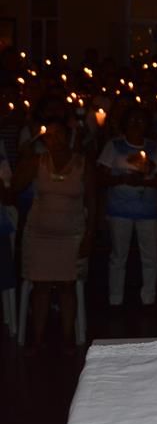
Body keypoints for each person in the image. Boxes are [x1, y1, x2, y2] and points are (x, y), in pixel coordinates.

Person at [9, 118, 95, 355]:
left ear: (68, 138)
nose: (54, 139)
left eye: (59, 135)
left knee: (68, 286)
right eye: (50, 135)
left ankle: (68, 338)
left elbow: (92, 202)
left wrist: (89, 235)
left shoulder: (82, 164)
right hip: (39, 235)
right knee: (41, 286)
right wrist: (25, 155)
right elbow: (14, 187)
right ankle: (37, 339)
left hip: (71, 235)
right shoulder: (38, 161)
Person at [97, 105, 157, 307]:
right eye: (132, 120)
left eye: (140, 120)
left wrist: (144, 182)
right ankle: (115, 299)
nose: (136, 124)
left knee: (150, 256)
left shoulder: (154, 148)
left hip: (147, 211)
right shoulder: (114, 146)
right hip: (120, 210)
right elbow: (101, 176)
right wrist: (121, 180)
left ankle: (149, 297)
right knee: (119, 255)